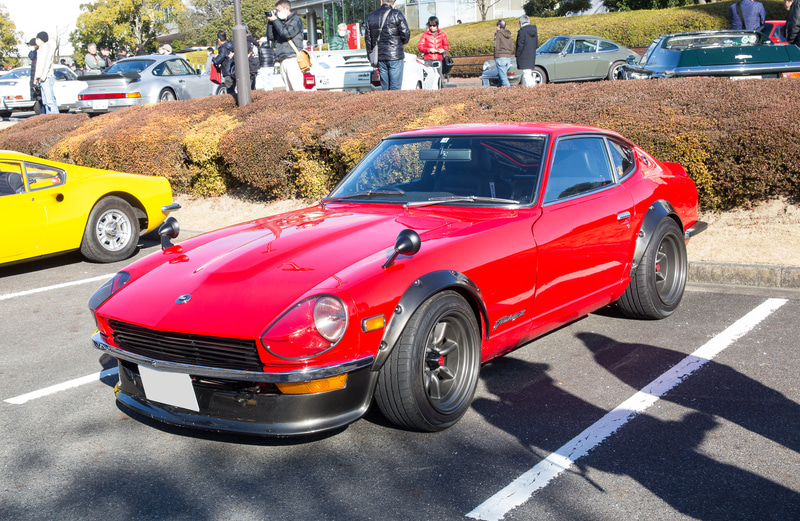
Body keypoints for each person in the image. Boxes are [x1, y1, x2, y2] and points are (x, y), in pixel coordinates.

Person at [365, 0, 410, 91]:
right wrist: (400, 44)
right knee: (395, 88)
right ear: (394, 2)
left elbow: (368, 40)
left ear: (381, 1)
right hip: (395, 55)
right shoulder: (397, 14)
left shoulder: (371, 16)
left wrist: (371, 57)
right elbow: (405, 35)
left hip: (380, 56)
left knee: (385, 89)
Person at [267, 0, 305, 91]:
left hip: (292, 57)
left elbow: (286, 33)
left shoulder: (296, 20)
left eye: (279, 10)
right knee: (289, 90)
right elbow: (271, 37)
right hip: (282, 58)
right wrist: (271, 22)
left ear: (287, 9)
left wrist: (275, 20)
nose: (277, 13)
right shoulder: (280, 23)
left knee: (297, 88)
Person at [34, 32, 58, 114]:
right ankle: (49, 117)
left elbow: (47, 63)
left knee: (50, 100)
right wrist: (36, 77)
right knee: (45, 102)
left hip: (47, 77)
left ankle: (56, 116)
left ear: (41, 39)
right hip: (41, 78)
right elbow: (38, 65)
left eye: (38, 38)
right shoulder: (40, 49)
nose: (37, 40)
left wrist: (43, 76)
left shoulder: (47, 48)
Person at [515, 15, 538, 88]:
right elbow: (536, 44)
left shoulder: (522, 32)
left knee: (526, 74)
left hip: (523, 56)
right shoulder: (534, 31)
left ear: (521, 23)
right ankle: (531, 87)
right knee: (528, 73)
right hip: (531, 55)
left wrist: (517, 54)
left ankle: (528, 89)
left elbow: (520, 44)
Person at [213, 31, 236, 99]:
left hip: (228, 71)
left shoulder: (223, 48)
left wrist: (214, 58)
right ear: (226, 37)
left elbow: (217, 61)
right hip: (235, 70)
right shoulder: (233, 44)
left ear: (219, 39)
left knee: (230, 91)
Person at [493, 20, 514, 88]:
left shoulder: (498, 34)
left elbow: (496, 46)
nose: (496, 27)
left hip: (500, 57)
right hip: (508, 58)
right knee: (502, 77)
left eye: (496, 26)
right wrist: (508, 53)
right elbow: (512, 48)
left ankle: (509, 90)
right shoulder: (509, 35)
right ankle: (499, 89)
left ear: (499, 26)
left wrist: (495, 57)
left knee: (503, 78)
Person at [27, 38, 42, 113]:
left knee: (41, 98)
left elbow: (32, 56)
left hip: (38, 77)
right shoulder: (35, 52)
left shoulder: (38, 52)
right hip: (35, 77)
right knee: (38, 99)